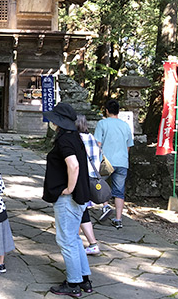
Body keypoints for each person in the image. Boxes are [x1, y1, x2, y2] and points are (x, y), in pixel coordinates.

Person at [43, 103, 93, 297]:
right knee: (74, 239)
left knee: (66, 240)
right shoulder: (75, 137)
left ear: (59, 121)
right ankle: (84, 280)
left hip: (69, 198)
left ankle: (73, 284)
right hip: (80, 197)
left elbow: (73, 166)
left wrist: (68, 189)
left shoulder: (65, 140)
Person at [94, 99, 134, 229]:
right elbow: (129, 145)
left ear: (106, 110)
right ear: (118, 111)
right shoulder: (125, 125)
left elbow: (97, 144)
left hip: (106, 161)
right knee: (119, 191)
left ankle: (105, 206)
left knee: (99, 184)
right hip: (122, 161)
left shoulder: (102, 123)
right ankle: (118, 218)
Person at [75, 114, 101, 256]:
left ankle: (92, 243)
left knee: (81, 210)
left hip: (82, 178)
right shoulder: (91, 137)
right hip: (92, 177)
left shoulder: (77, 139)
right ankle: (75, 237)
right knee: (80, 210)